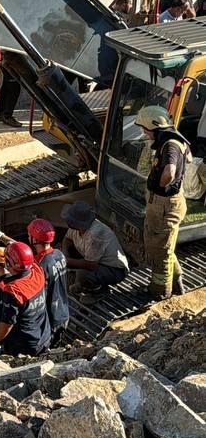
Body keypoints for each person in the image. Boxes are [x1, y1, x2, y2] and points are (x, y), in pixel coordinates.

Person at [0, 219, 70, 346]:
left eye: (30, 235)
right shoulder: (58, 254)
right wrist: (0, 236)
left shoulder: (42, 266)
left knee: (50, 346)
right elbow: (20, 250)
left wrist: (6, 276)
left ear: (34, 239)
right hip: (63, 311)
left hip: (51, 317)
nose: (28, 237)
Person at [137, 105, 192, 299]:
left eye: (144, 128)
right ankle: (177, 280)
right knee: (163, 246)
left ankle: (160, 291)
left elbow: (169, 172)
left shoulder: (170, 145)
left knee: (161, 251)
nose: (143, 132)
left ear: (155, 127)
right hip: (162, 204)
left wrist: (159, 187)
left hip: (165, 205)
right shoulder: (169, 141)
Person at [0, 241, 51, 356]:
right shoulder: (37, 270)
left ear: (7, 263)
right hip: (43, 336)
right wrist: (5, 239)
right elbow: (26, 259)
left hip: (25, 346)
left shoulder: (14, 291)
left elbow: (7, 323)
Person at [61, 201, 129, 304]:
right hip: (95, 261)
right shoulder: (77, 228)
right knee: (69, 254)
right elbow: (67, 239)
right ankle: (83, 284)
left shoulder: (96, 234)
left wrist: (64, 261)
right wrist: (65, 254)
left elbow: (90, 265)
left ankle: (100, 291)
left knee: (83, 274)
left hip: (114, 270)